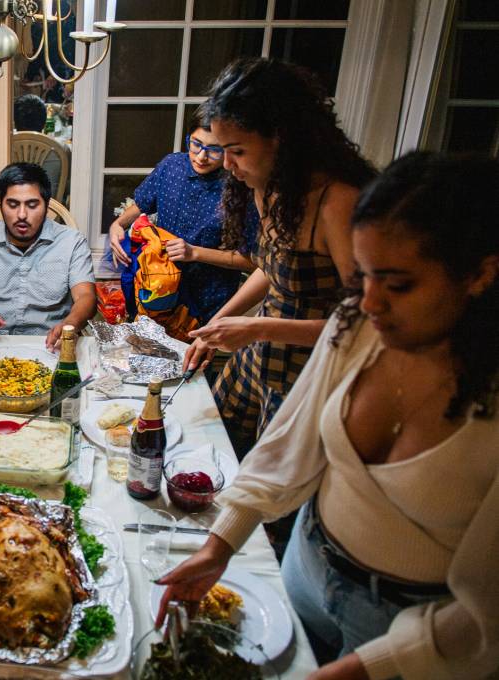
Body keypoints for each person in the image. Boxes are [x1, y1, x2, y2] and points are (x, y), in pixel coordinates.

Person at [159, 152, 499, 680]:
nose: (369, 304)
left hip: (411, 634)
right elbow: (287, 446)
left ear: (480, 274)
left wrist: (368, 666)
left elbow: (487, 614)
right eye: (361, 277)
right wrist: (219, 546)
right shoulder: (355, 324)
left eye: (399, 284)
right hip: (305, 568)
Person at [183, 58, 376, 455]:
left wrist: (257, 328)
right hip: (260, 359)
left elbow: (364, 327)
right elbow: (273, 269)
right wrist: (216, 325)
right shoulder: (268, 186)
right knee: (215, 457)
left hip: (309, 374)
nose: (227, 164)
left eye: (236, 151)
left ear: (282, 139)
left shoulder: (337, 202)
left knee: (271, 493)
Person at [108, 106, 259, 325]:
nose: (201, 156)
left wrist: (195, 253)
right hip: (157, 288)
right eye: (195, 144)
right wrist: (118, 225)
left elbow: (251, 261)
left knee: (193, 359)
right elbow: (141, 204)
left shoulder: (241, 186)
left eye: (214, 149)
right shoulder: (172, 166)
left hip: (206, 301)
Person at [0, 163, 95, 348]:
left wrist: (70, 325)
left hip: (49, 344)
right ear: (1, 204)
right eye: (13, 205)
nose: (22, 215)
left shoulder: (71, 242)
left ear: (46, 205)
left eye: (32, 205)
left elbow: (86, 297)